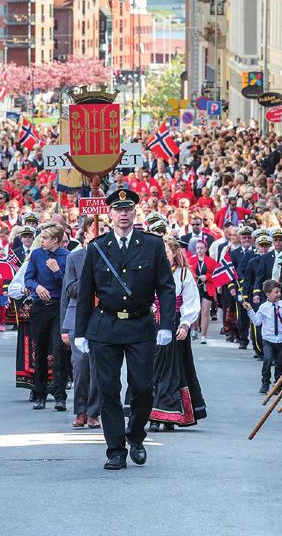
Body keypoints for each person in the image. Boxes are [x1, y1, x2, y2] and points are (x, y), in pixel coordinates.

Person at [75, 189, 176, 470]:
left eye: (128, 209)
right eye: (118, 210)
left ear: (135, 213)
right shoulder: (97, 247)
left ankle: (136, 435)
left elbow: (166, 288)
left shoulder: (152, 245)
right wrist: (80, 332)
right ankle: (116, 449)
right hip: (105, 325)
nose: (123, 214)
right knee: (108, 390)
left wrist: (166, 324)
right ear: (109, 214)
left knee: (143, 388)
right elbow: (86, 293)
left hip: (140, 324)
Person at [149, 236, 205, 430]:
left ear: (174, 253)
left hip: (176, 325)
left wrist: (185, 325)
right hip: (153, 324)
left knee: (175, 370)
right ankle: (153, 415)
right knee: (152, 367)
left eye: (167, 252)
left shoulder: (183, 274)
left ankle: (171, 415)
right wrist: (150, 308)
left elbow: (191, 302)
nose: (164, 256)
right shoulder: (150, 272)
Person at [24, 223, 70, 411]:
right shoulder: (36, 255)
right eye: (41, 238)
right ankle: (40, 393)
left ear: (56, 240)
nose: (41, 241)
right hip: (40, 307)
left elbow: (69, 283)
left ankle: (60, 396)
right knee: (40, 352)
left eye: (45, 238)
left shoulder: (66, 256)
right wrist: (37, 287)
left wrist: (56, 271)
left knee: (59, 352)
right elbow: (28, 278)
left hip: (59, 307)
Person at [60, 217, 100, 429]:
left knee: (99, 367)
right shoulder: (74, 258)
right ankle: (81, 411)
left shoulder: (110, 255)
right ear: (85, 234)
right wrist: (64, 327)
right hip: (78, 317)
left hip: (102, 316)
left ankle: (94, 412)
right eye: (95, 230)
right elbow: (70, 291)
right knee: (81, 367)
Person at [252, 279, 282, 394]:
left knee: (279, 364)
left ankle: (278, 385)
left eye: (279, 292)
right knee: (268, 359)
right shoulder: (263, 307)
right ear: (268, 294)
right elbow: (257, 322)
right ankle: (265, 383)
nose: (279, 294)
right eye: (276, 292)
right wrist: (250, 310)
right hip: (268, 339)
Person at [187, 240, 217, 344]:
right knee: (195, 310)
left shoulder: (211, 261)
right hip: (194, 288)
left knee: (205, 311)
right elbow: (187, 273)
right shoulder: (190, 260)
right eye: (198, 248)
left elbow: (216, 275)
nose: (199, 250)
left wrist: (207, 277)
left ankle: (203, 335)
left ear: (206, 249)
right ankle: (194, 330)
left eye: (201, 248)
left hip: (207, 288)